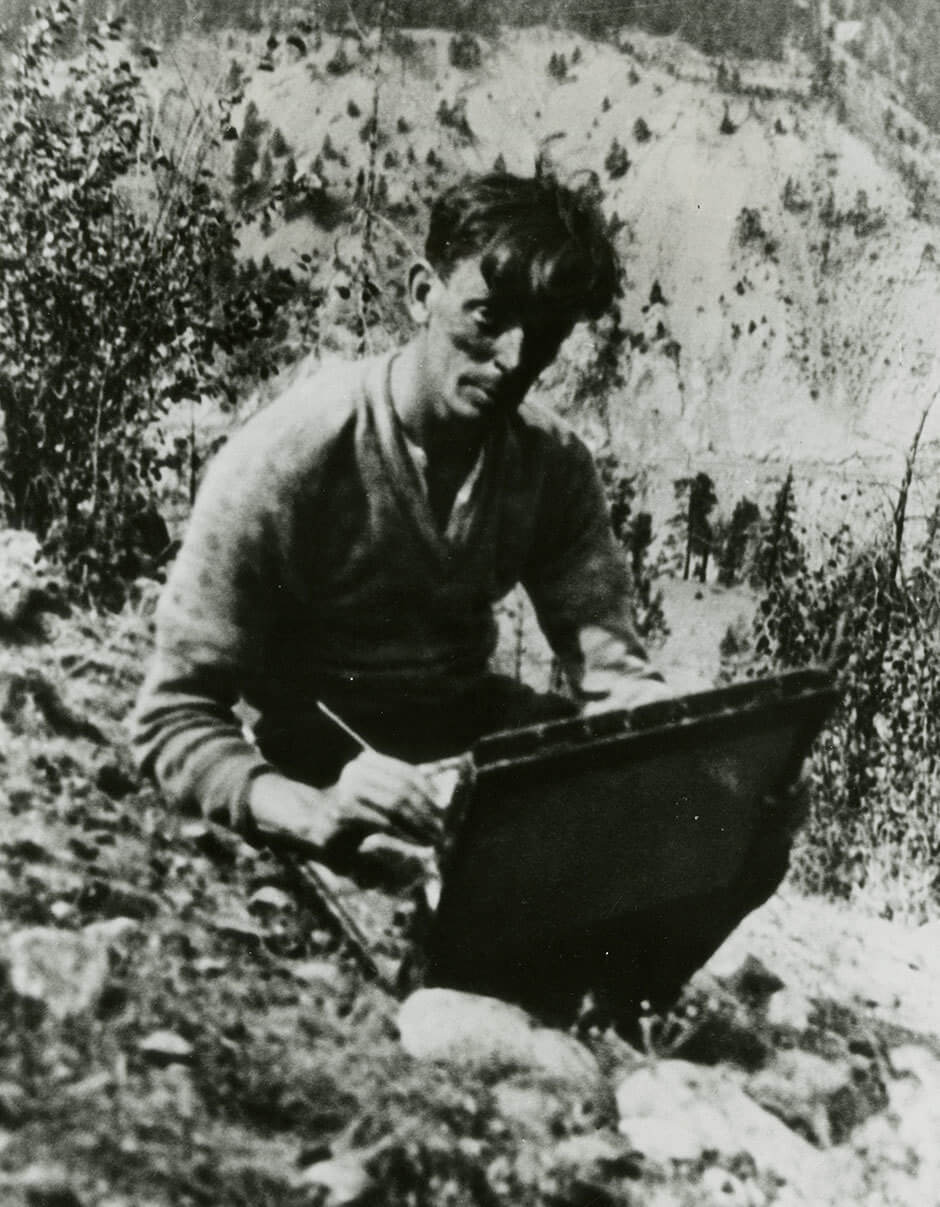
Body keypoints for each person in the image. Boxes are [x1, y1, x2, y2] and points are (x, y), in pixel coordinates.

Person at [132, 170, 668, 858]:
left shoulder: (552, 466)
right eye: (488, 315)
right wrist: (312, 812)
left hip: (465, 742)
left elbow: (616, 675)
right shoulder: (296, 452)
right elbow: (173, 716)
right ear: (423, 294)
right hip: (321, 755)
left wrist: (678, 752)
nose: (515, 357)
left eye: (546, 333)